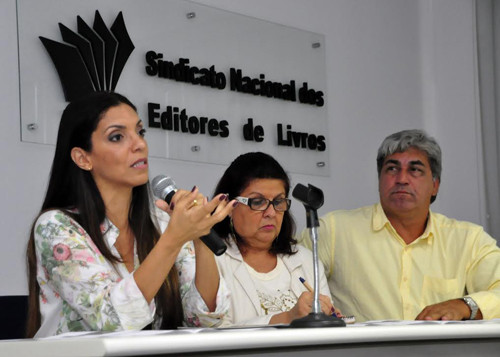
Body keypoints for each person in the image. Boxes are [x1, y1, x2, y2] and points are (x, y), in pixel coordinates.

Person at [26, 92, 235, 337]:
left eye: (140, 132)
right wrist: (175, 238)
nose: (139, 144)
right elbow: (112, 321)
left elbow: (204, 319)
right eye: (117, 137)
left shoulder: (163, 224)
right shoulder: (57, 226)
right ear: (83, 158)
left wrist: (199, 237)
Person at [301, 129, 500, 322]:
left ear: (435, 185)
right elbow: (288, 284)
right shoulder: (334, 230)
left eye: (415, 170)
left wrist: (464, 305)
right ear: (380, 180)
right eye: (392, 169)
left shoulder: (468, 240)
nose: (402, 179)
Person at [211, 152, 336, 326]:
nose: (270, 213)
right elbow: (213, 333)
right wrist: (287, 318)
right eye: (258, 202)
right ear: (230, 206)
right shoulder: (211, 258)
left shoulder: (305, 259)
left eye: (278, 202)